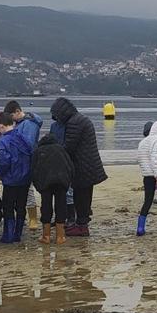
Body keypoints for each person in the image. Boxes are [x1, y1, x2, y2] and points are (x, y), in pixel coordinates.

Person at [49, 97, 107, 236]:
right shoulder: (80, 119)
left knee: (82, 197)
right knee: (83, 196)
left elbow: (69, 146)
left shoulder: (74, 123)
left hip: (83, 166)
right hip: (88, 164)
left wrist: (54, 153)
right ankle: (81, 223)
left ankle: (81, 226)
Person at [4, 100, 43, 230]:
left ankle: (33, 218)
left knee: (28, 190)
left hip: (26, 161)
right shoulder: (21, 123)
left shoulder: (29, 124)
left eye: (11, 117)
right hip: (21, 161)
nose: (11, 120)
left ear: (17, 111)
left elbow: (29, 144)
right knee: (24, 190)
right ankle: (28, 218)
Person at [0, 112, 33, 243]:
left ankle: (8, 235)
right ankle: (18, 234)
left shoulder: (4, 140)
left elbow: (5, 161)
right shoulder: (24, 138)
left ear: (0, 126)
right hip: (25, 178)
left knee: (8, 207)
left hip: (11, 179)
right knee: (21, 206)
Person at [31, 133, 73, 245]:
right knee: (61, 206)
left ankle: (46, 236)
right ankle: (60, 236)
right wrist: (68, 181)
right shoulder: (61, 149)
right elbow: (70, 167)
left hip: (45, 183)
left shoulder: (38, 151)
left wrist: (38, 185)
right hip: (61, 182)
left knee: (46, 207)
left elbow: (33, 169)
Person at [49, 119, 76, 225]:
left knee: (68, 191)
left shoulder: (70, 125)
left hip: (67, 160)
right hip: (57, 160)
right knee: (58, 191)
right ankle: (60, 217)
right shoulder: (54, 126)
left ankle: (71, 217)